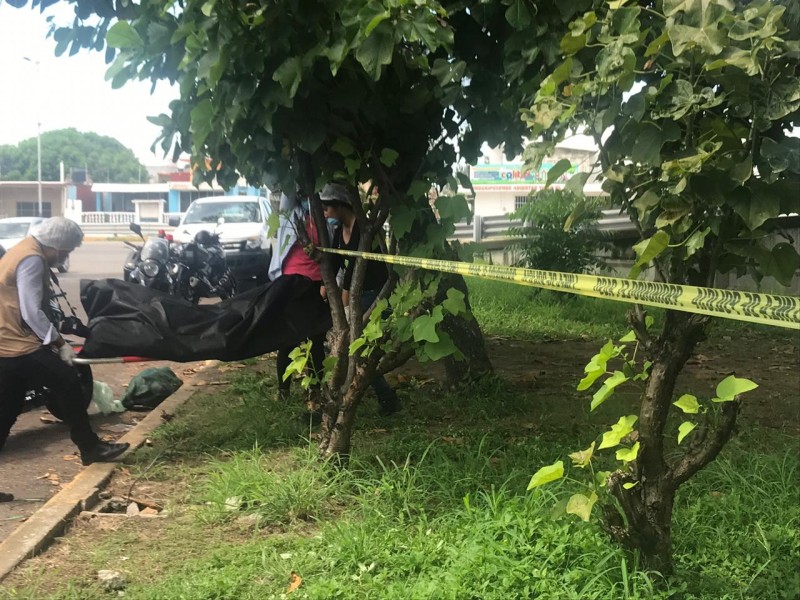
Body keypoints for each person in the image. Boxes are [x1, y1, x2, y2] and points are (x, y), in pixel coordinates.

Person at [0, 217, 129, 503]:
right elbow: (32, 312)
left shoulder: (22, 248)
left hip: (6, 344)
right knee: (68, 382)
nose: (66, 257)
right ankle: (89, 447)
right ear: (57, 246)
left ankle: (89, 447)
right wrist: (59, 343)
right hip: (20, 345)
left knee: (5, 413)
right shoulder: (32, 260)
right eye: (67, 251)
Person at [320, 183, 401, 416]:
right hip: (356, 294)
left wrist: (344, 305)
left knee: (359, 350)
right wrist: (323, 287)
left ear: (340, 206)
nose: (324, 213)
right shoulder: (338, 231)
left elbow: (353, 271)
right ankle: (381, 398)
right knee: (356, 350)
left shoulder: (363, 230)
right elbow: (335, 263)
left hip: (375, 295)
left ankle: (384, 398)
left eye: (327, 208)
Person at [268, 192, 327, 413]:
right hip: (290, 285)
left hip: (315, 285)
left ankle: (316, 391)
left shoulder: (321, 219)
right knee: (287, 341)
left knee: (316, 342)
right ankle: (283, 391)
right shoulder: (290, 217)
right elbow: (286, 193)